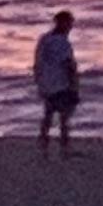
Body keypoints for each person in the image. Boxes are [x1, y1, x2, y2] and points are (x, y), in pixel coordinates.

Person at [32, 8, 80, 151]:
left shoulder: (44, 39)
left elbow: (38, 61)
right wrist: (74, 84)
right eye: (70, 23)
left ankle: (43, 143)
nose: (71, 26)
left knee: (48, 114)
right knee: (64, 117)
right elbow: (68, 64)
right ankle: (64, 146)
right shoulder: (62, 42)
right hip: (61, 83)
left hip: (47, 82)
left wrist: (39, 79)